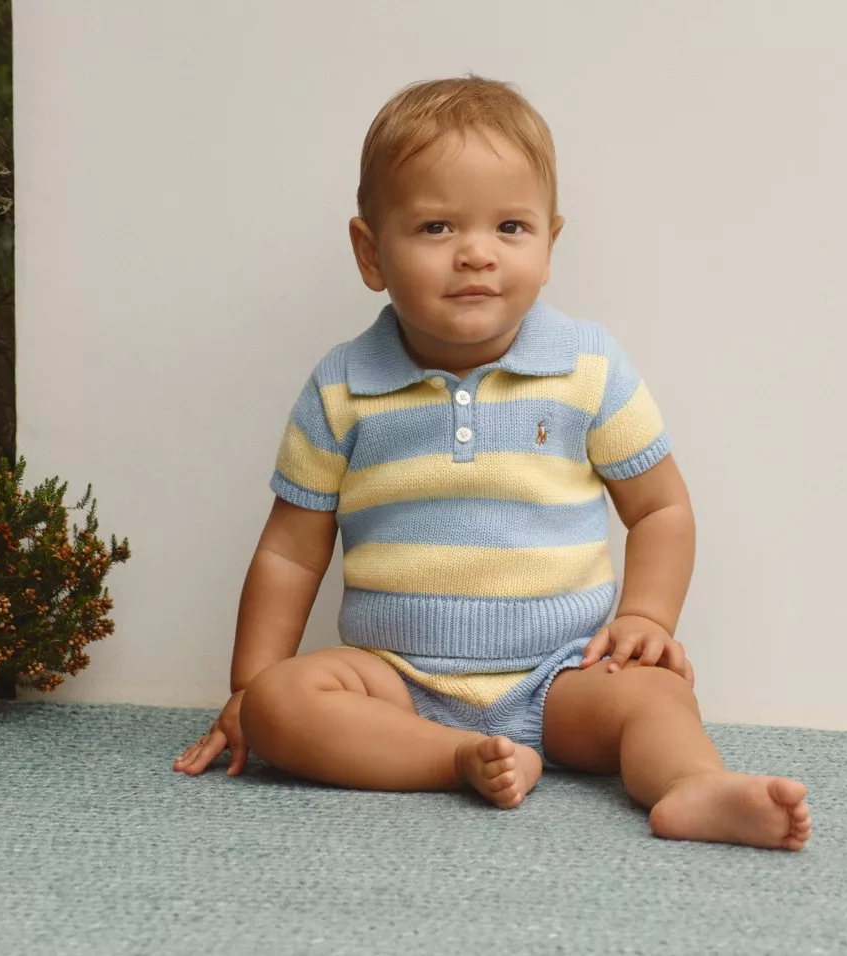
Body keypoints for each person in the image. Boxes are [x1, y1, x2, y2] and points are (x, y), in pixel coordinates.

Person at [174, 76, 812, 850]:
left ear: (549, 246)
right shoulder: (342, 386)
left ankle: (693, 788)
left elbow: (661, 509)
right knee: (284, 702)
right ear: (371, 252)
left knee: (655, 696)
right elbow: (287, 551)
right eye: (437, 227)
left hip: (560, 676)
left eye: (511, 227)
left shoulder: (588, 368)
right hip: (394, 683)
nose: (476, 254)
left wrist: (646, 618)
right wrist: (247, 687)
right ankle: (458, 760)